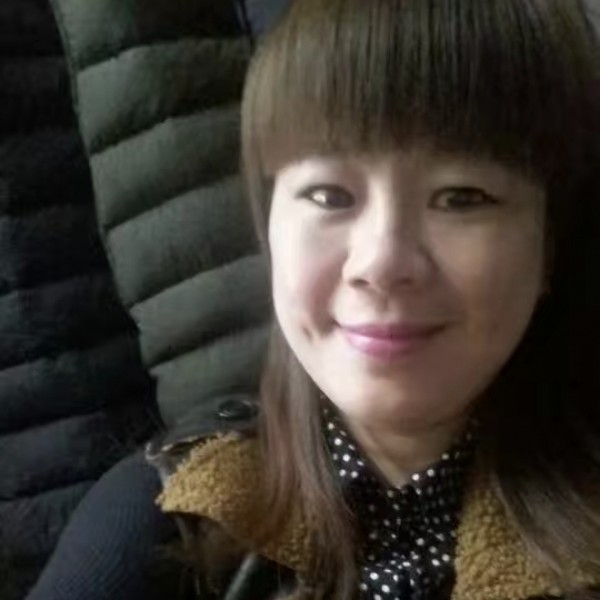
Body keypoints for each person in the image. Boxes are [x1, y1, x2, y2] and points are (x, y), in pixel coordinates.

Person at [157, 0, 600, 598]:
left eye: (462, 197)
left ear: (550, 246)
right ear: (270, 230)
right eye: (329, 195)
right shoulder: (170, 506)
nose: (382, 264)